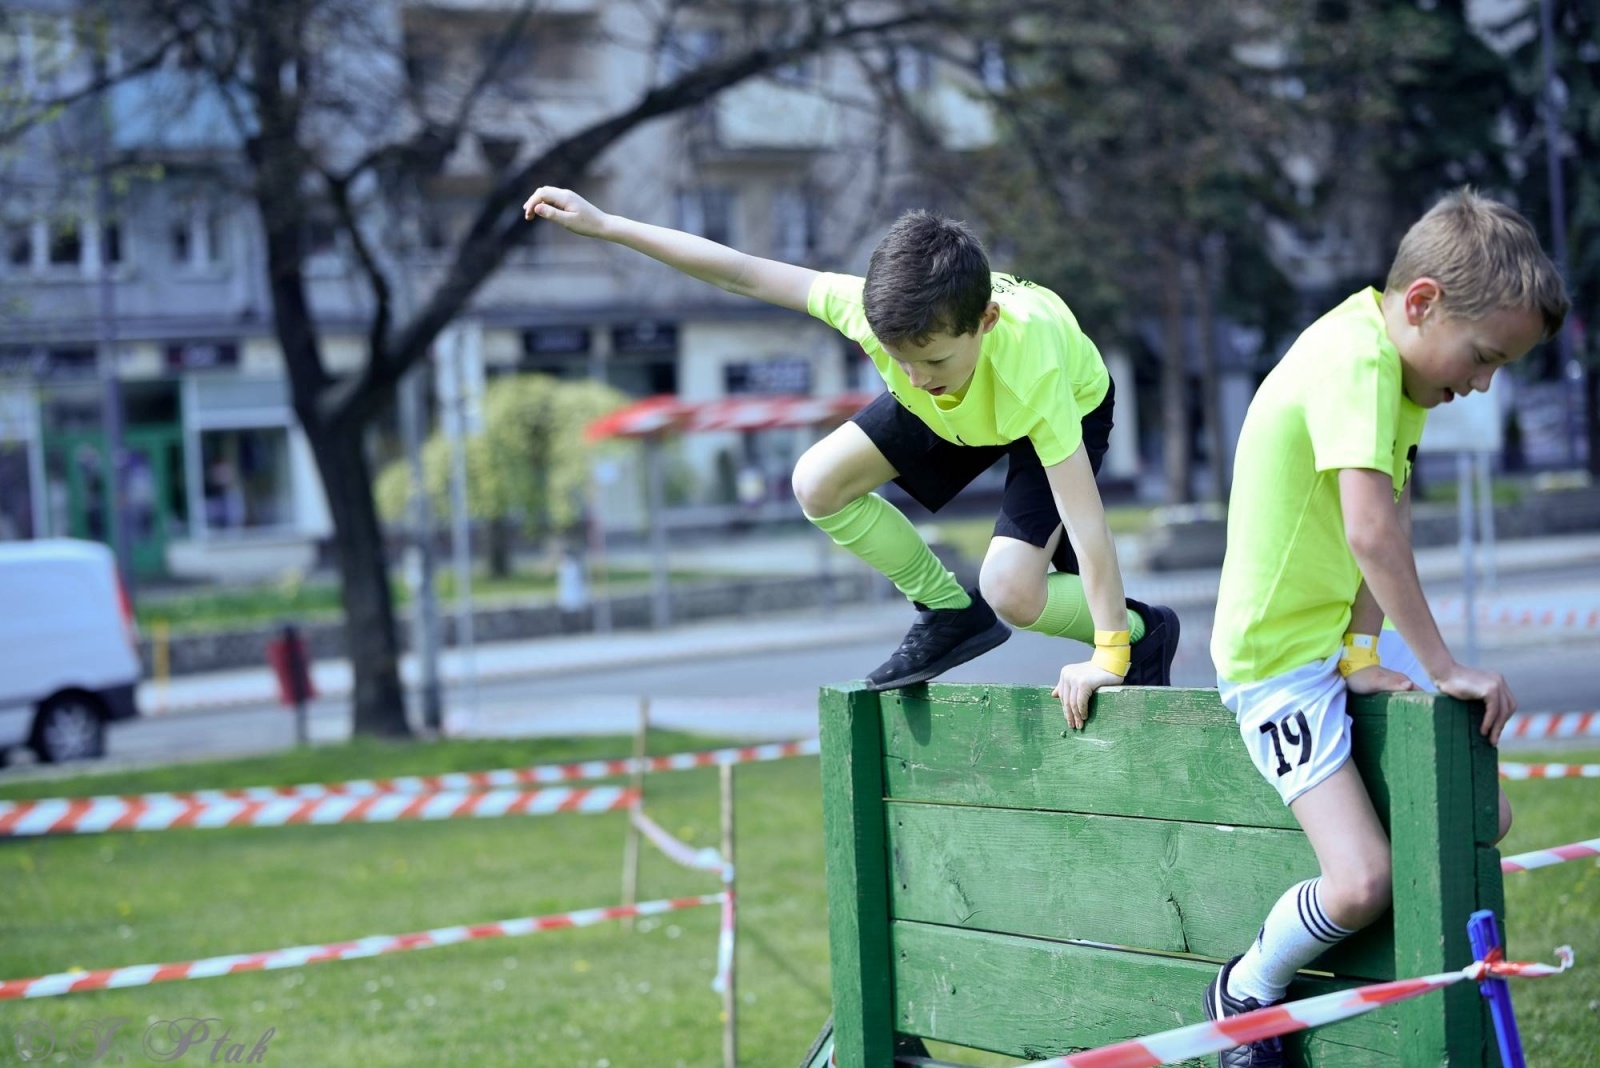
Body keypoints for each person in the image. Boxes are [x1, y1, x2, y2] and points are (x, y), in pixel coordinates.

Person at [524, 187, 1180, 723]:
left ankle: (1146, 631)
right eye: (901, 361)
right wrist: (608, 224)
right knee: (817, 481)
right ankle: (949, 611)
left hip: (1058, 401)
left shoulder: (1030, 364)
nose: (916, 375)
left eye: (932, 358)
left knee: (1011, 589)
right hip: (955, 413)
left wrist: (1110, 654)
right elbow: (741, 271)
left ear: (984, 323)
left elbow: (1088, 524)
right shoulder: (879, 321)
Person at [1203, 188, 1568, 1066]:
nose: (1480, 383)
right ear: (1422, 303)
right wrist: (1444, 666)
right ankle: (1246, 991)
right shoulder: (1357, 363)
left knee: (1484, 812)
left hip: (1332, 649)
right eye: (1482, 358)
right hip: (1276, 664)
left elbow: (1383, 520)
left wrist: (1367, 652)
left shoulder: (1395, 371)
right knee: (1364, 882)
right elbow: (1369, 530)